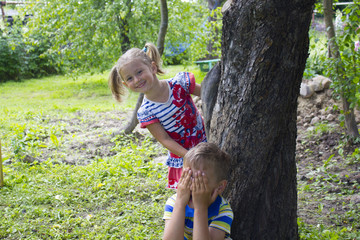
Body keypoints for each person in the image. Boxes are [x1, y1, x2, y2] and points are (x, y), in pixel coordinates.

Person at [108, 43, 207, 189]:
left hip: (206, 141)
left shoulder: (180, 83)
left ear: (153, 68)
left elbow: (209, 94)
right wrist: (189, 157)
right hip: (184, 157)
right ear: (125, 84)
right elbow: (165, 139)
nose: (136, 80)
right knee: (192, 197)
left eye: (139, 72)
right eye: (129, 78)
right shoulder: (146, 111)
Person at [163, 142, 233, 240]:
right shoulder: (174, 203)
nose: (193, 185)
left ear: (220, 187)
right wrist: (180, 203)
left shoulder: (222, 211)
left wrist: (200, 208)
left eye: (200, 181)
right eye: (189, 176)